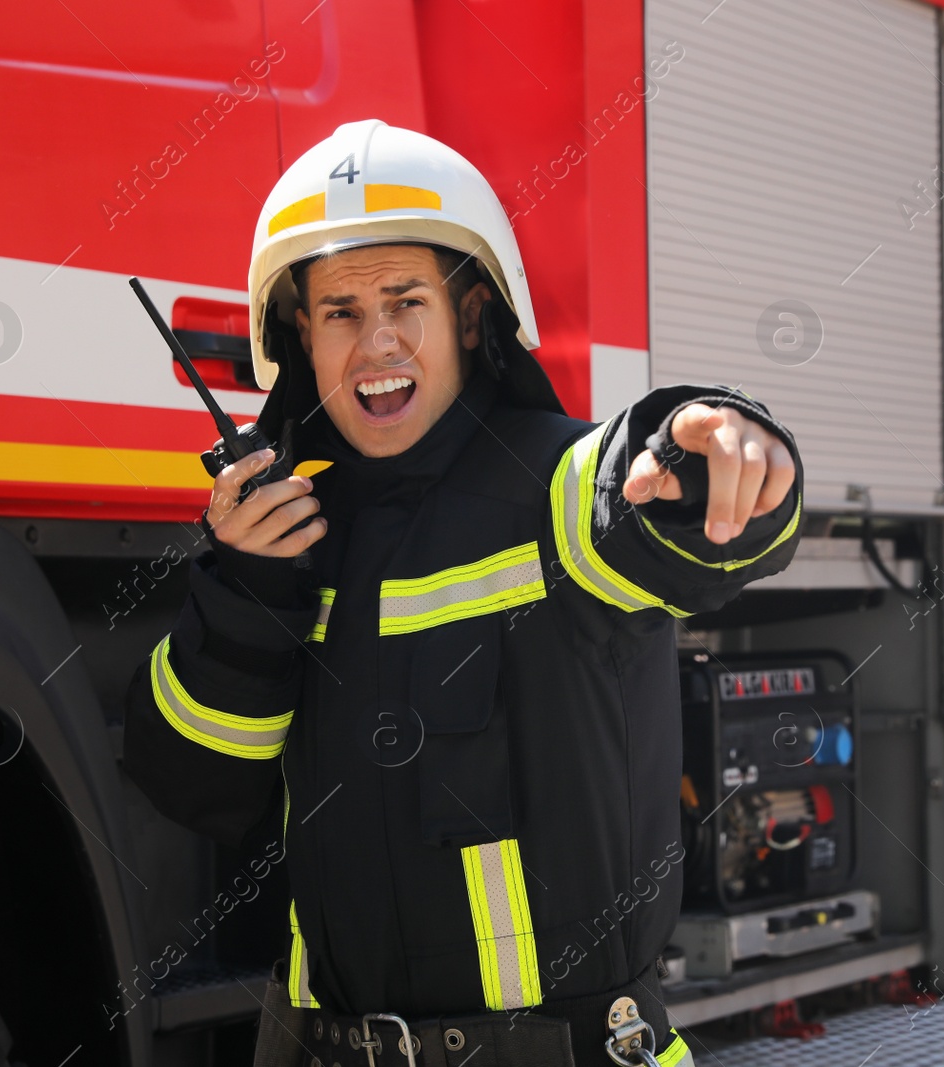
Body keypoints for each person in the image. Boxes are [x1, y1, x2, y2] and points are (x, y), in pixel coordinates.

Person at [124, 119, 804, 1067]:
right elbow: (191, 786)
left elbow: (646, 501)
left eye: (408, 300)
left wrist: (720, 447)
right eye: (340, 313)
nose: (378, 343)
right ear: (299, 339)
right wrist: (245, 594)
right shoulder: (283, 543)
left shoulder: (554, 488)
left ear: (473, 318)